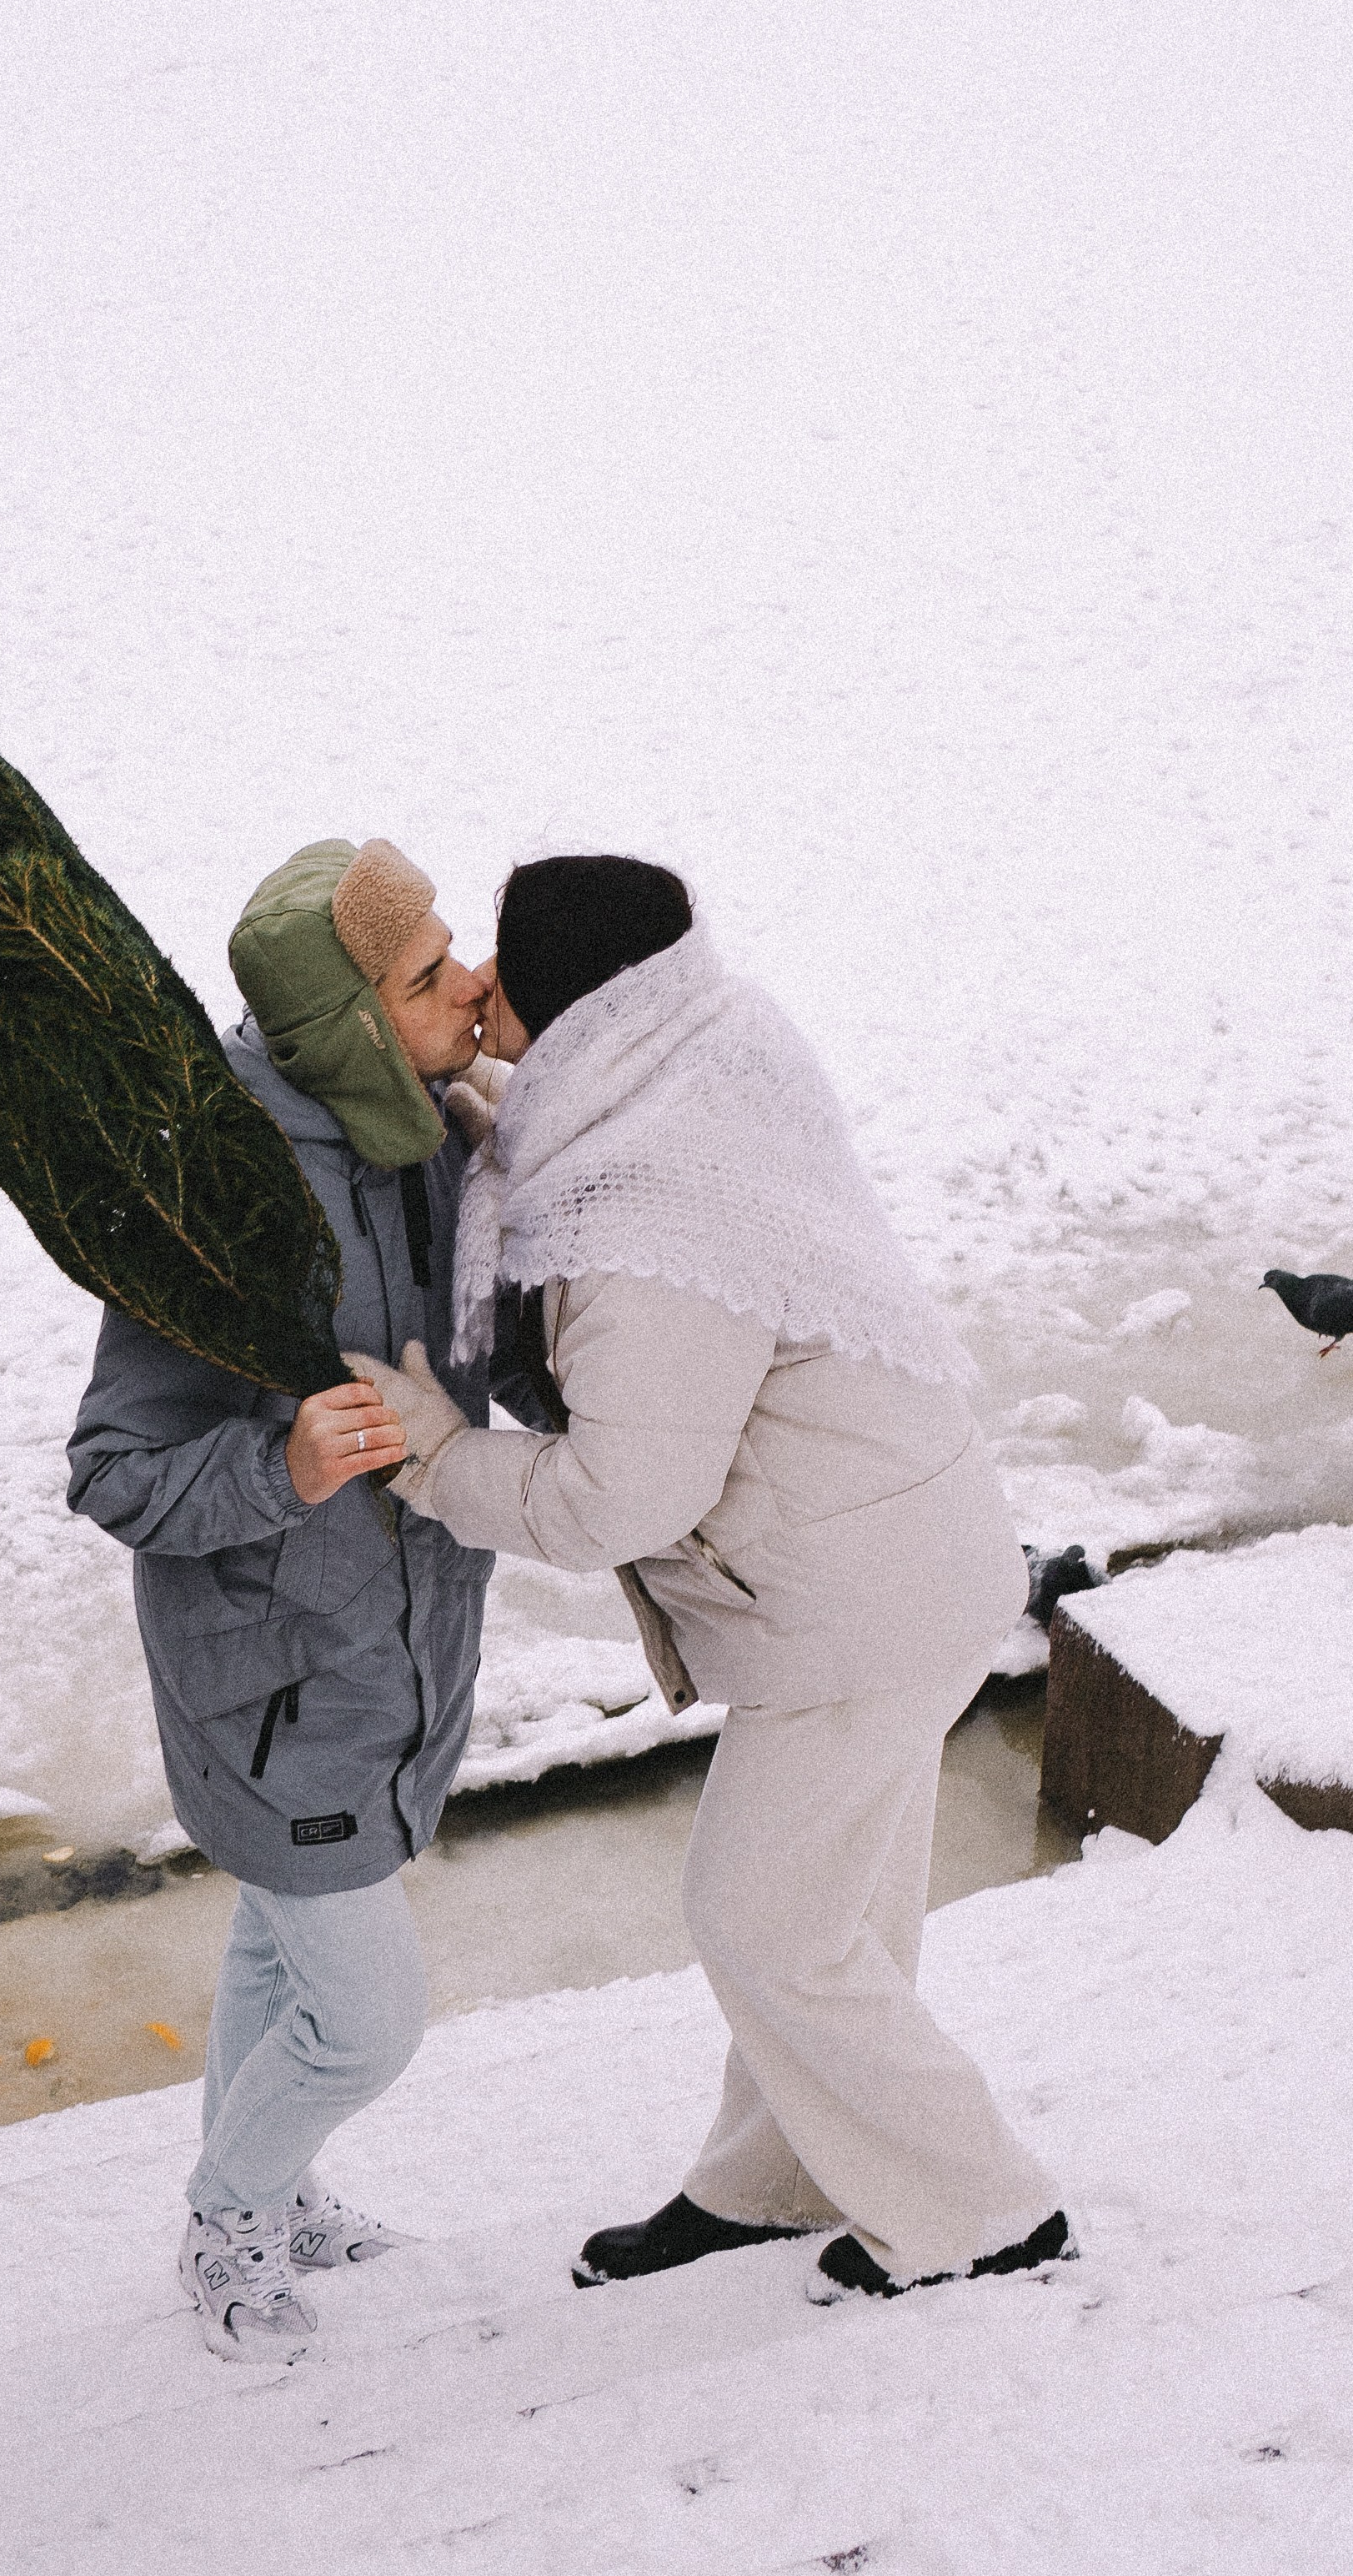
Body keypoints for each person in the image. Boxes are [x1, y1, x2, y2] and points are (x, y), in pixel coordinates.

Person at [354, 855, 1070, 2304]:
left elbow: (623, 1488)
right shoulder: (712, 1038)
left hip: (853, 1602)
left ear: (584, 1013)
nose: (480, 988)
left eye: (504, 974)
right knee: (836, 1911)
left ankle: (984, 2211)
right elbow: (594, 1150)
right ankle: (780, 2176)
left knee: (762, 1918)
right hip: (898, 1544)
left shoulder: (648, 1223)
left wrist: (432, 1455)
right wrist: (508, 1097)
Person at [68, 837, 509, 2363]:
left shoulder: (426, 1134)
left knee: (279, 1950)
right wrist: (284, 1460)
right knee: (366, 2017)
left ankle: (277, 2186)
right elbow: (114, 1468)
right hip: (276, 1686)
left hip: (388, 1648)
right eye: (428, 975)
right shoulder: (221, 1195)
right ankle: (231, 2211)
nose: (471, 986)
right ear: (341, 1029)